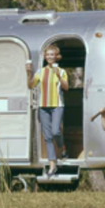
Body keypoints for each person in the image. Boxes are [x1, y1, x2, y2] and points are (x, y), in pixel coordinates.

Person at [26, 44, 69, 175]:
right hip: (43, 106)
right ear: (45, 57)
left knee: (56, 131)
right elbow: (30, 86)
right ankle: (52, 165)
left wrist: (59, 76)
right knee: (47, 137)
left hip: (57, 105)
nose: (50, 57)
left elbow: (66, 88)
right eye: (48, 55)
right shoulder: (40, 72)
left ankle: (63, 148)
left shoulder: (61, 71)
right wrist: (28, 73)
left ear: (57, 57)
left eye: (52, 55)